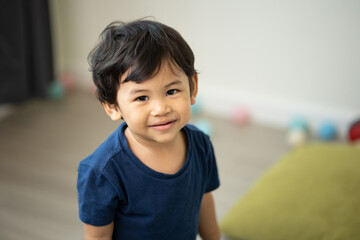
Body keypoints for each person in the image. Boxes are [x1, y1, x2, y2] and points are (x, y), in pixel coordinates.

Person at [77, 19, 220, 240]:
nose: (161, 109)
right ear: (113, 107)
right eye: (142, 97)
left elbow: (203, 199)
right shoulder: (102, 172)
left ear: (193, 87)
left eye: (172, 91)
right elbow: (98, 237)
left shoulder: (200, 145)